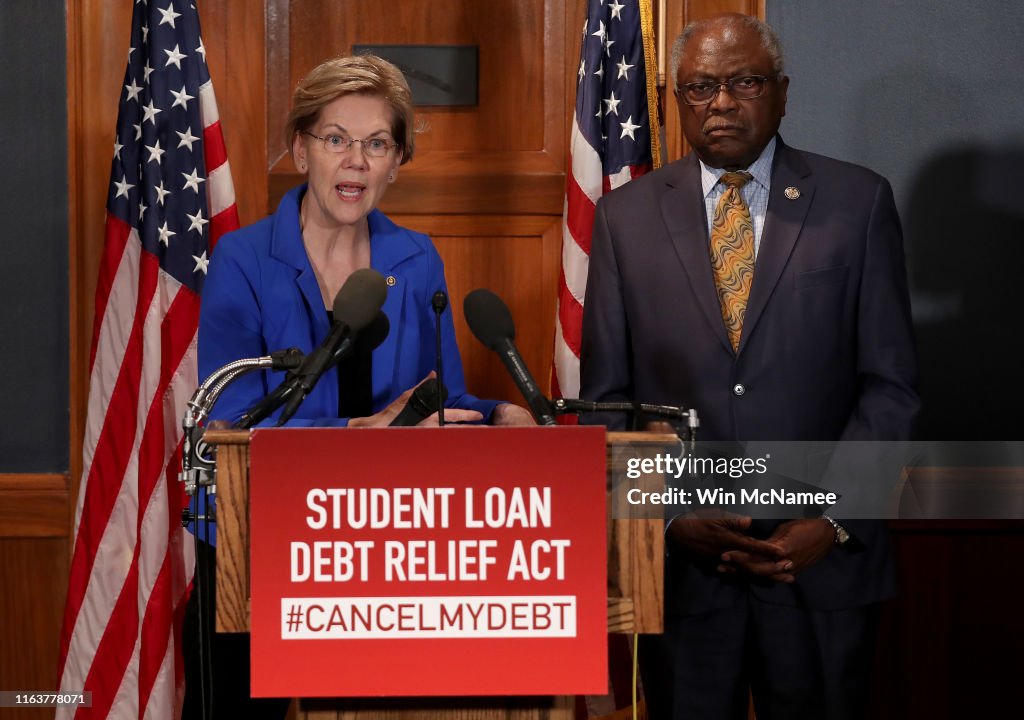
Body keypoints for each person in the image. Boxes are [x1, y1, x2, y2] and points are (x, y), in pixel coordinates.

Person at [580, 14, 919, 720]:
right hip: (685, 577)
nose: (723, 103)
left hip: (823, 570)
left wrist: (831, 519)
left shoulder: (857, 204)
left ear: (783, 93)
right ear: (677, 99)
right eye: (702, 87)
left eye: (744, 82)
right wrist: (670, 518)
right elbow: (612, 404)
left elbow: (889, 388)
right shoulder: (624, 219)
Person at [183, 54, 532, 719]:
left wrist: (501, 415)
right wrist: (357, 433)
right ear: (300, 150)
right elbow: (228, 425)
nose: (356, 161)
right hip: (254, 546)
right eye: (335, 139)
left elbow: (439, 400)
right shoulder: (245, 260)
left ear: (396, 162)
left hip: (372, 552)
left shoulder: (416, 257)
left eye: (377, 144)